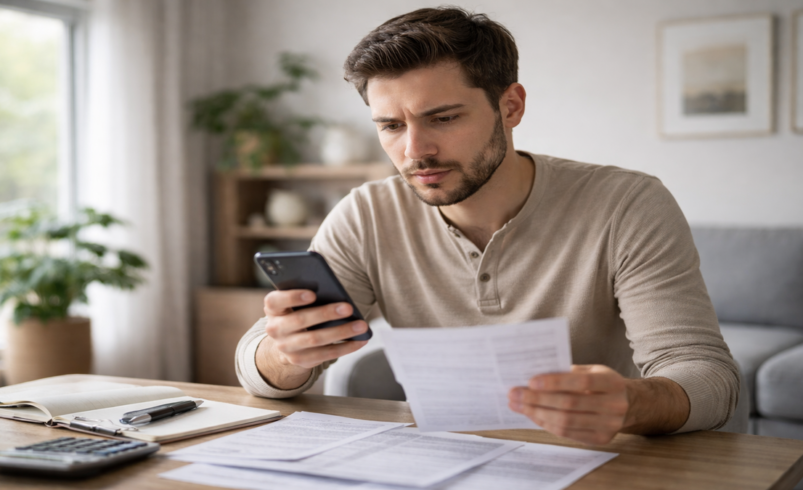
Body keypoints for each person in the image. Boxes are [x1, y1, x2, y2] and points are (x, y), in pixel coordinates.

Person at [235, 7, 739, 445]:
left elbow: (709, 376)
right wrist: (286, 353)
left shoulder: (627, 204)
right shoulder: (366, 215)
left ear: (511, 106)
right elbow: (255, 368)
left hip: (602, 460)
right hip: (443, 460)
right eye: (390, 126)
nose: (415, 151)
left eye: (444, 118)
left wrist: (633, 402)